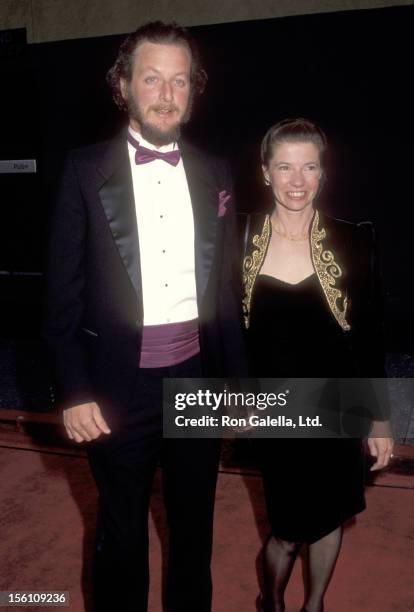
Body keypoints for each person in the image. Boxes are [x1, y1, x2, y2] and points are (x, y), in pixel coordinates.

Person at [44, 21, 246, 612]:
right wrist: (74, 388)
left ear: (193, 90)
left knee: (194, 537)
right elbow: (60, 297)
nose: (165, 94)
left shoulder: (216, 172)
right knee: (121, 538)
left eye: (179, 82)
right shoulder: (83, 170)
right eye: (152, 79)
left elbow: (225, 295)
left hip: (196, 380)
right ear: (124, 86)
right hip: (114, 385)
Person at [242, 118, 394, 612]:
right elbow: (224, 332)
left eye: (309, 166)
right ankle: (273, 601)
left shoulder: (354, 240)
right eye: (284, 166)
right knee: (286, 531)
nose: (297, 179)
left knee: (329, 518)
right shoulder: (238, 240)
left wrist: (380, 418)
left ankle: (314, 606)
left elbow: (370, 338)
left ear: (324, 173)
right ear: (265, 172)